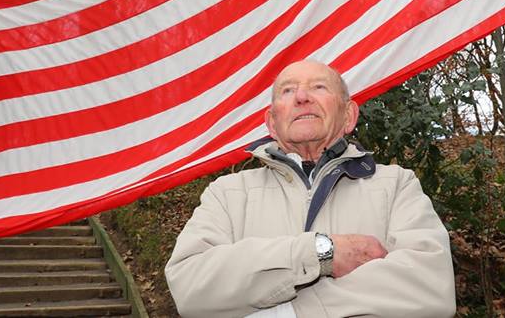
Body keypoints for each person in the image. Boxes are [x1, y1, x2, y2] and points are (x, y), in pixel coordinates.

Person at [165, 59, 456, 318]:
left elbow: (431, 286)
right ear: (272, 124)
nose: (302, 97)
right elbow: (190, 286)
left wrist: (288, 311)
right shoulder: (228, 193)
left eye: (319, 87)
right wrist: (316, 253)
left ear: (348, 116)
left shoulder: (395, 185)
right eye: (288, 91)